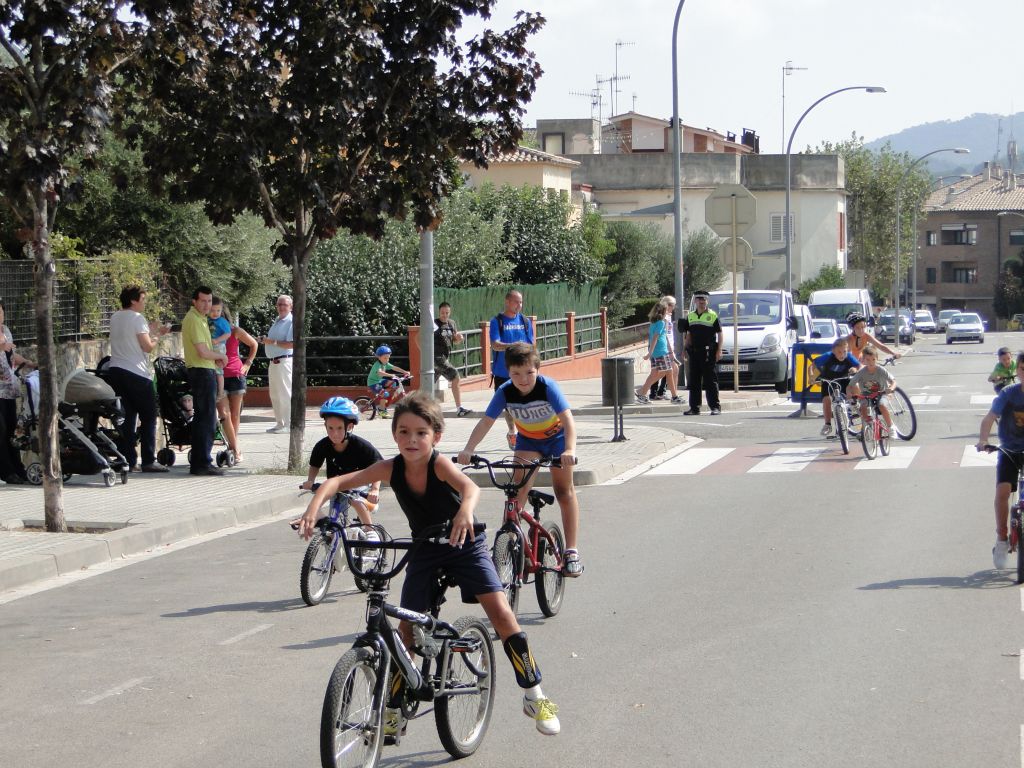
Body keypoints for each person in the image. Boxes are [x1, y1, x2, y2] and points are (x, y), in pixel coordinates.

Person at [298, 392, 560, 736]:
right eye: (403, 432)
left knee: (501, 614)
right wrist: (312, 511)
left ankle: (535, 694)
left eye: (421, 432)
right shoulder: (391, 468)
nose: (411, 439)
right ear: (394, 435)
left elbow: (469, 488)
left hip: (464, 544)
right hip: (425, 549)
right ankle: (393, 709)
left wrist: (465, 512)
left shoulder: (439, 464)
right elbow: (335, 482)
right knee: (404, 631)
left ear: (435, 436)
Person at [457, 342, 584, 576]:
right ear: (508, 372)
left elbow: (568, 420)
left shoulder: (548, 388)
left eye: (529, 373)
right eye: (516, 373)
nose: (523, 379)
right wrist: (468, 449)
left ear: (538, 369)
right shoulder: (505, 391)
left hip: (557, 440)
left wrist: (569, 450)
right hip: (529, 442)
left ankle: (571, 551)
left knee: (564, 491)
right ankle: (514, 543)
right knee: (516, 493)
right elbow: (486, 422)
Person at [105, 285, 171, 473]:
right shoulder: (137, 318)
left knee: (128, 416)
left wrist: (148, 331)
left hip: (116, 370)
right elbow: (148, 347)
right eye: (142, 300)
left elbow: (130, 339)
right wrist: (158, 334)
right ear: (133, 300)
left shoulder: (116, 317)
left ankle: (128, 459)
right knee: (149, 415)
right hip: (136, 372)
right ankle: (149, 460)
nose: (144, 303)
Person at [295, 396, 382, 528]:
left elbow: (378, 467)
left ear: (349, 427)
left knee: (355, 501)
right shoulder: (322, 446)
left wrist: (375, 490)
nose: (334, 433)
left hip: (359, 483)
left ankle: (370, 531)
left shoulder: (361, 445)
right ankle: (333, 537)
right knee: (330, 514)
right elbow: (315, 465)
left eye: (340, 428)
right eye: (330, 428)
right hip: (336, 485)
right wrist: (310, 481)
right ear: (325, 426)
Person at [977, 351, 1024, 569]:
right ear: (1017, 370)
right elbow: (989, 418)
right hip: (1010, 450)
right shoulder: (1008, 393)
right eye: (1023, 369)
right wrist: (983, 440)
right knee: (1002, 492)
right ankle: (1002, 538)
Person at [182, 286, 228, 476]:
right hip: (201, 371)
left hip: (205, 368)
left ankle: (202, 461)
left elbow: (204, 350)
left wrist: (214, 357)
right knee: (206, 417)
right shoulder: (194, 319)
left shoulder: (201, 319)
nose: (207, 304)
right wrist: (221, 357)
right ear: (194, 301)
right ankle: (202, 462)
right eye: (203, 301)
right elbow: (202, 351)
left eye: (209, 301)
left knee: (206, 417)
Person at [489, 290, 535, 449]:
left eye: (521, 302)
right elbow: (495, 344)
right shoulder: (497, 321)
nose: (519, 305)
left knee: (525, 403)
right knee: (508, 406)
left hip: (523, 372)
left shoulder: (525, 321)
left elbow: (530, 346)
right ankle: (512, 432)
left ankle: (527, 434)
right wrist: (514, 347)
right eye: (516, 302)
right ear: (507, 302)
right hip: (503, 372)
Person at [217, 300, 259, 463]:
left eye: (219, 313)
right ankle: (235, 449)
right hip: (218, 374)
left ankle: (232, 447)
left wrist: (248, 363)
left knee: (235, 414)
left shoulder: (235, 331)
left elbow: (253, 344)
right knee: (224, 414)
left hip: (235, 374)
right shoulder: (209, 332)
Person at [0, 299, 34, 485]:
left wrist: (29, 363)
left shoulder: (6, 332)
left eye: (0, 312)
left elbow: (12, 355)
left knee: (12, 431)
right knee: (1, 429)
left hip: (9, 390)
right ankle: (5, 471)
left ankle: (17, 468)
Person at [679, 290, 723, 416]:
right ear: (695, 301)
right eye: (699, 300)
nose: (702, 302)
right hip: (694, 352)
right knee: (694, 381)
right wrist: (684, 350)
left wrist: (719, 350)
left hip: (708, 352)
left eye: (704, 300)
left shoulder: (712, 315)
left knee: (710, 380)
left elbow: (720, 333)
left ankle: (715, 407)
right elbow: (688, 335)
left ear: (707, 301)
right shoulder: (691, 316)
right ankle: (694, 408)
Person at [807, 337, 861, 437]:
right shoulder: (827, 356)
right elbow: (812, 365)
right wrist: (811, 377)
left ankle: (854, 404)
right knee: (826, 400)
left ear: (847, 350)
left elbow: (859, 365)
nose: (842, 355)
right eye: (839, 352)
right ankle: (827, 424)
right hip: (828, 380)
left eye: (844, 351)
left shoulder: (849, 356)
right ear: (833, 351)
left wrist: (855, 369)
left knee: (855, 385)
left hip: (844, 379)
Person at [635, 297, 682, 405]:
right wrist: (650, 353)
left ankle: (642, 393)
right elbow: (656, 338)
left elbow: (655, 337)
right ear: (663, 311)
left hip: (658, 351)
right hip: (661, 351)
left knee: (659, 373)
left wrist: (651, 352)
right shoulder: (661, 323)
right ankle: (673, 397)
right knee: (666, 372)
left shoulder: (653, 323)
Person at [261, 294, 293, 434]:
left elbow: (291, 343)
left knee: (285, 393)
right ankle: (280, 423)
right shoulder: (277, 321)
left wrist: (271, 342)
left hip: (284, 360)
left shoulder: (291, 321)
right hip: (274, 362)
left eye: (284, 305)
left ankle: (288, 424)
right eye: (279, 304)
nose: (281, 307)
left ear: (290, 307)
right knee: (275, 394)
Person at [434, 302, 471, 417]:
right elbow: (418, 337)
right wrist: (424, 352)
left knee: (427, 385)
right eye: (442, 313)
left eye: (447, 313)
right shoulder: (434, 323)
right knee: (455, 377)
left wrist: (459, 339)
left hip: (445, 356)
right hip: (437, 358)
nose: (444, 315)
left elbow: (454, 339)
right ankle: (459, 409)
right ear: (438, 312)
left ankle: (415, 408)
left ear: (450, 312)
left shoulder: (452, 323)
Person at [846, 345, 895, 431]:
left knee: (881, 405)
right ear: (863, 360)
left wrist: (890, 388)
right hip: (867, 395)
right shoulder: (861, 372)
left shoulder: (881, 370)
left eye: (873, 359)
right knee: (863, 406)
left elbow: (893, 381)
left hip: (882, 393)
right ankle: (867, 426)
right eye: (867, 360)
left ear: (877, 359)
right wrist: (849, 393)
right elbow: (850, 385)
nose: (871, 362)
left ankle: (891, 427)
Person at [367, 345, 410, 419]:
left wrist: (405, 372)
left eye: (388, 358)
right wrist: (391, 375)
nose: (387, 360)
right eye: (385, 358)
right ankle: (381, 410)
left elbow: (394, 368)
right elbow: (380, 373)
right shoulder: (377, 365)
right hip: (373, 383)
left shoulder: (385, 363)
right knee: (385, 394)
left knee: (394, 383)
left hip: (380, 381)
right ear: (379, 357)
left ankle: (382, 397)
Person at [209, 296, 232, 402]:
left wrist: (218, 340)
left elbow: (228, 333)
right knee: (212, 368)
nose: (215, 313)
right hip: (209, 346)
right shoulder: (206, 319)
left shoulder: (222, 321)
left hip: (218, 346)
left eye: (218, 310)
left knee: (219, 370)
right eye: (212, 310)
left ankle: (221, 391)